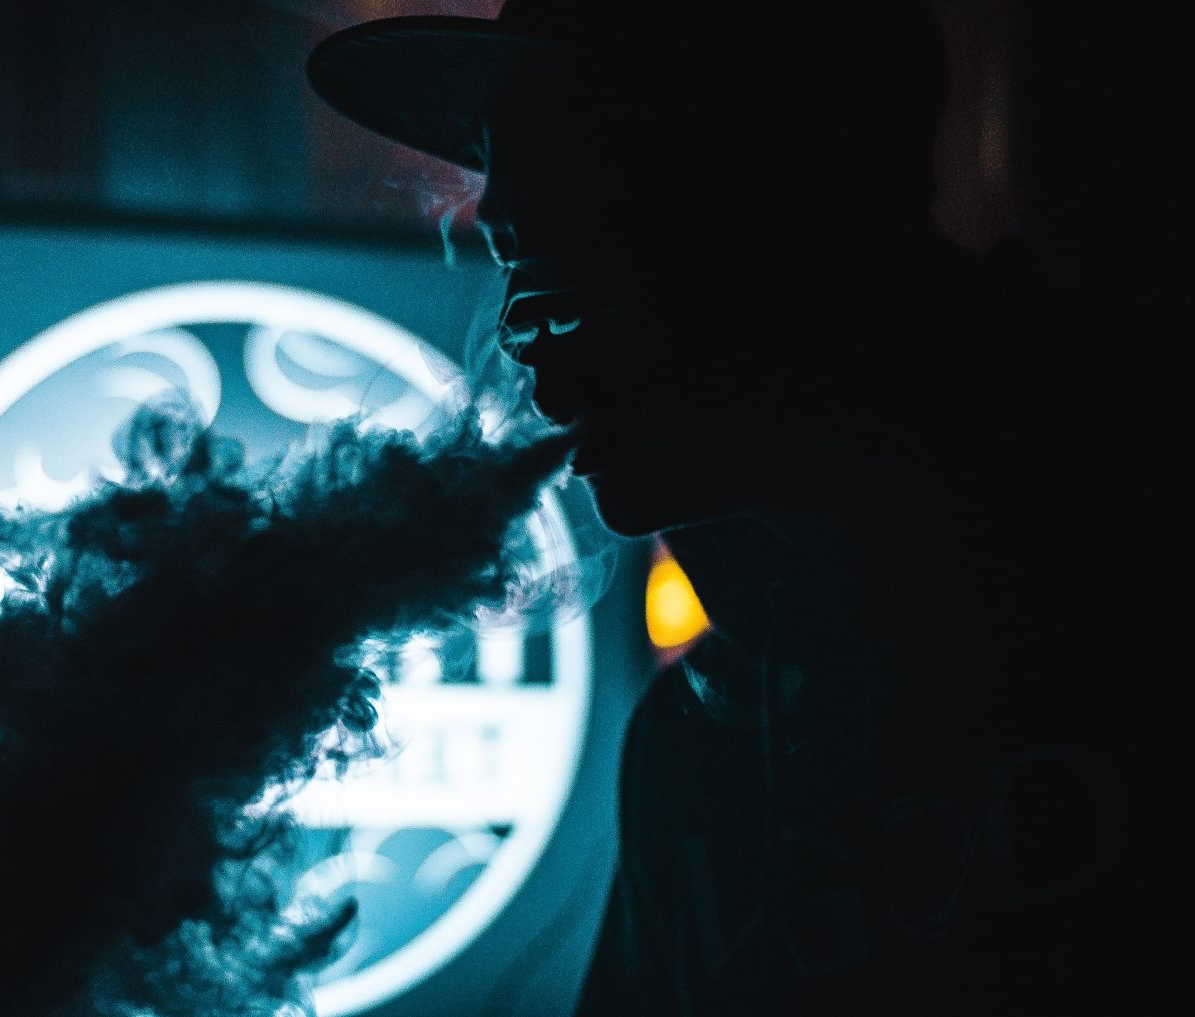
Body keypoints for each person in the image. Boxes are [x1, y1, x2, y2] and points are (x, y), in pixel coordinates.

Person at [309, 1, 1186, 1014]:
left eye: (579, 241)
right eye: (515, 258)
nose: (532, 353)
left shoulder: (1142, 587)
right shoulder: (706, 755)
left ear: (783, 200)